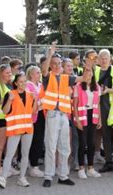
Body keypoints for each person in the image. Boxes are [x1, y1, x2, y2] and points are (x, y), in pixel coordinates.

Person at [40, 42, 78, 187]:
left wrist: (89, 66)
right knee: (50, 146)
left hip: (64, 116)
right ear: (51, 65)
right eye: (54, 64)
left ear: (62, 66)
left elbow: (84, 79)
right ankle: (48, 176)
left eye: (58, 64)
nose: (56, 66)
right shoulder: (47, 76)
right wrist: (50, 53)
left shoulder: (65, 78)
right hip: (52, 115)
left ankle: (63, 175)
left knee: (65, 147)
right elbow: (43, 69)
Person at [0, 73, 38, 188]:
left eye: (25, 81)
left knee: (25, 154)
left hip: (28, 128)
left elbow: (33, 112)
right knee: (9, 154)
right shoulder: (10, 94)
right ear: (16, 83)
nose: (23, 84)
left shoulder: (30, 95)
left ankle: (22, 178)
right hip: (15, 128)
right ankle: (3, 178)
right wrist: (9, 101)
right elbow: (4, 111)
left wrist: (35, 99)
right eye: (21, 82)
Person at [73, 66, 102, 179]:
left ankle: (90, 168)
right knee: (82, 142)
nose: (88, 73)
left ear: (93, 73)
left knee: (91, 143)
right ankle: (81, 168)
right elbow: (75, 105)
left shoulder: (97, 87)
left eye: (90, 71)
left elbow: (98, 104)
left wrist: (99, 118)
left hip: (93, 117)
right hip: (82, 117)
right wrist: (77, 120)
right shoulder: (78, 86)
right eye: (85, 71)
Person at [95, 49, 113, 173]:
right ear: (98, 59)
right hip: (102, 107)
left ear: (110, 59)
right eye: (102, 58)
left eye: (106, 58)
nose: (104, 60)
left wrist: (108, 90)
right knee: (105, 135)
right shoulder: (96, 71)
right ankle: (108, 162)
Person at [0, 64, 16, 177]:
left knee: (7, 145)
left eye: (10, 72)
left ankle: (7, 166)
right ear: (1, 73)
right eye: (7, 73)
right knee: (0, 145)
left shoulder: (7, 86)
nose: (10, 74)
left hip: (7, 118)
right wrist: (8, 98)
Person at [25, 66, 45, 177]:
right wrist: (40, 102)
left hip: (42, 114)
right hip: (33, 116)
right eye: (37, 73)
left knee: (39, 140)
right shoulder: (28, 85)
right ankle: (33, 166)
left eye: (39, 72)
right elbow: (30, 101)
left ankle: (34, 163)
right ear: (31, 74)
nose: (39, 74)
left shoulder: (40, 85)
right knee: (34, 140)